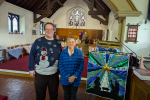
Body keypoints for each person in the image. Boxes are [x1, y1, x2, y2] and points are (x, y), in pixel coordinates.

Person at [28, 22, 62, 100]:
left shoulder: (58, 43)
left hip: (54, 75)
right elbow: (32, 54)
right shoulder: (38, 41)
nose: (49, 31)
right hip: (40, 74)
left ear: (54, 31)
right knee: (40, 96)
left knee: (54, 95)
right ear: (44, 30)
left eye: (51, 29)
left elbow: (61, 57)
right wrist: (31, 68)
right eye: (47, 29)